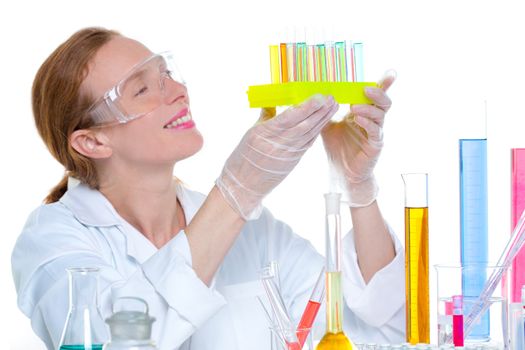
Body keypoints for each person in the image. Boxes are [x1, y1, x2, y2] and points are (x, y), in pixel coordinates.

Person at [11, 27, 404, 350]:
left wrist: (357, 187)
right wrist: (236, 194)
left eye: (166, 74)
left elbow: (378, 337)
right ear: (92, 143)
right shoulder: (53, 241)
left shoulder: (254, 233)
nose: (177, 91)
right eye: (142, 90)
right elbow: (111, 341)